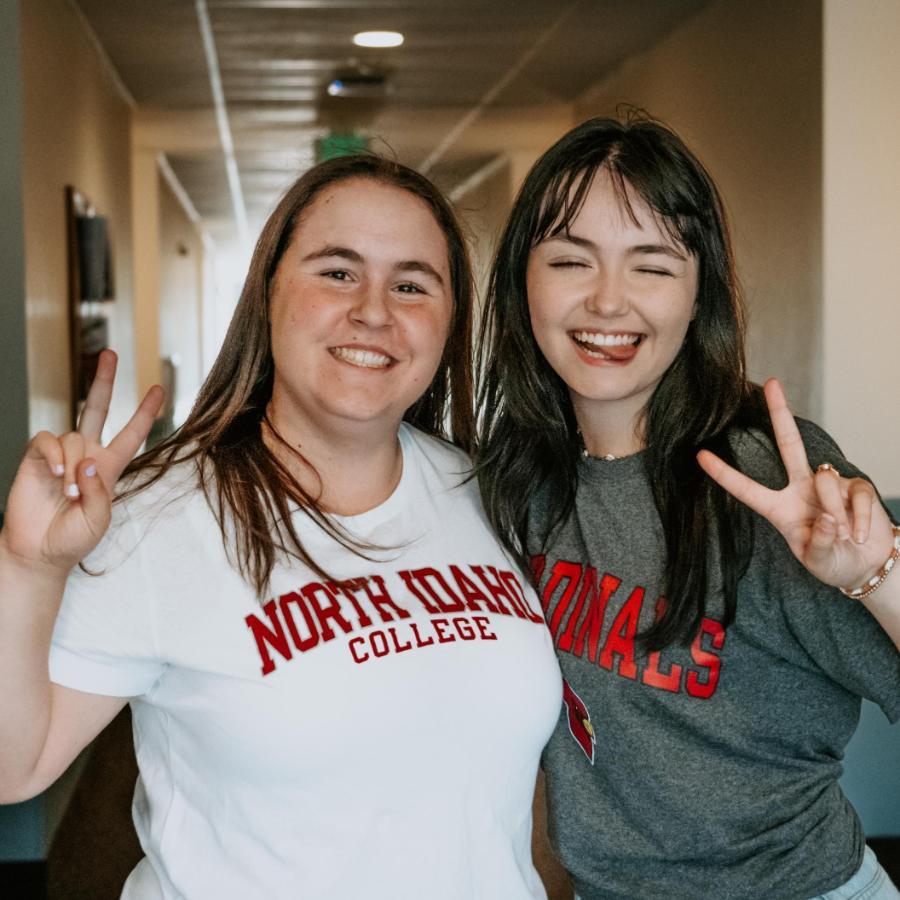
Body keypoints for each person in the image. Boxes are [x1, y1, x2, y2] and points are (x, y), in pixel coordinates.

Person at [0, 155, 562, 899]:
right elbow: (14, 767)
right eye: (337, 272)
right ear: (268, 292)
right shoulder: (157, 515)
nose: (373, 311)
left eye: (411, 284)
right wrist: (26, 567)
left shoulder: (492, 495)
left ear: (451, 319)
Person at [476, 115, 900, 900]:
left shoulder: (767, 478)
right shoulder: (516, 477)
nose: (608, 301)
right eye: (570, 260)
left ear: (698, 290)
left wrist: (878, 573)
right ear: (521, 282)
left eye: (653, 266)